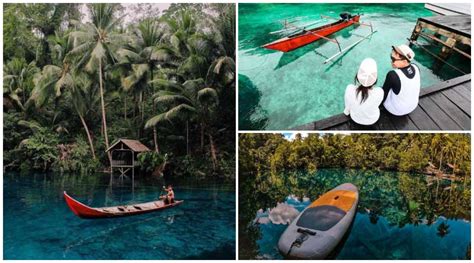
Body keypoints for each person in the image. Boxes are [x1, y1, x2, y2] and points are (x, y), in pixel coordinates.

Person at [344, 58, 384, 128]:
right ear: (375, 79)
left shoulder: (349, 89)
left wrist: (347, 112)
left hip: (355, 118)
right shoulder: (380, 92)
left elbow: (348, 106)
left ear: (357, 76)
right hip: (373, 119)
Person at [382, 44, 420, 116]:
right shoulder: (416, 67)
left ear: (405, 61)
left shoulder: (393, 75)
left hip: (396, 110)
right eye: (391, 57)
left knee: (382, 89)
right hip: (413, 106)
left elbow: (384, 95)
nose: (391, 61)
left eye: (393, 59)